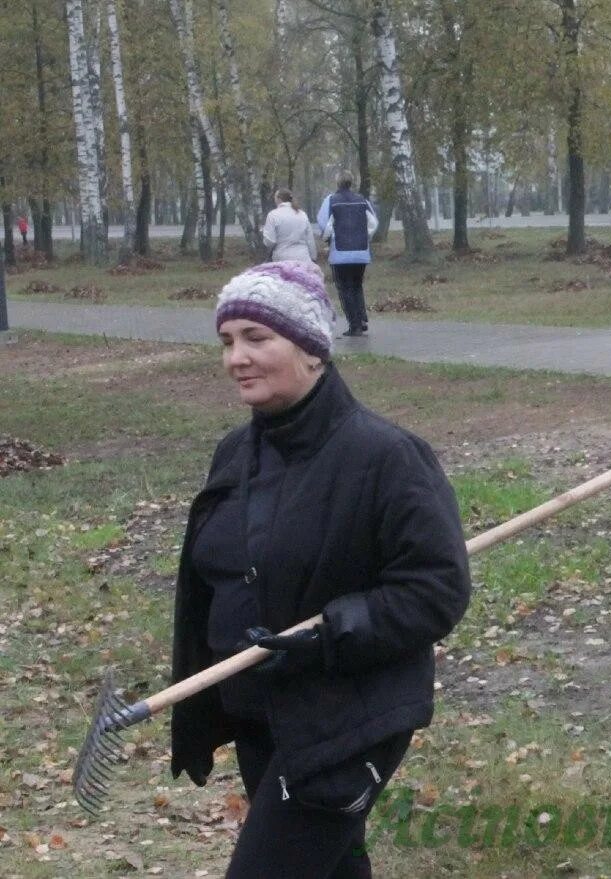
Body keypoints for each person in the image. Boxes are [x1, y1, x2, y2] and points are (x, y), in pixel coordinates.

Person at [169, 261, 471, 878]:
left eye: (258, 338)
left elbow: (436, 589)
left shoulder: (385, 457)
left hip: (346, 716)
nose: (237, 358)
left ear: (311, 349)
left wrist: (328, 632)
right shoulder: (236, 452)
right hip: (262, 709)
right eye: (227, 342)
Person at [316, 171, 378, 337]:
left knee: (345, 288)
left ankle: (355, 325)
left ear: (337, 182)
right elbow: (373, 222)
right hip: (361, 251)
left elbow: (323, 223)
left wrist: (330, 238)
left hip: (340, 253)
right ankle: (362, 318)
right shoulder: (362, 200)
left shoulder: (331, 200)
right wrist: (365, 236)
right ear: (351, 182)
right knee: (357, 286)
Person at [261, 188, 318, 266]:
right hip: (303, 259)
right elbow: (310, 240)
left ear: (279, 199)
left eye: (275, 197)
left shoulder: (273, 215)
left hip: (282, 260)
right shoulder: (302, 214)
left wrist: (265, 234)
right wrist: (313, 257)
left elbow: (270, 241)